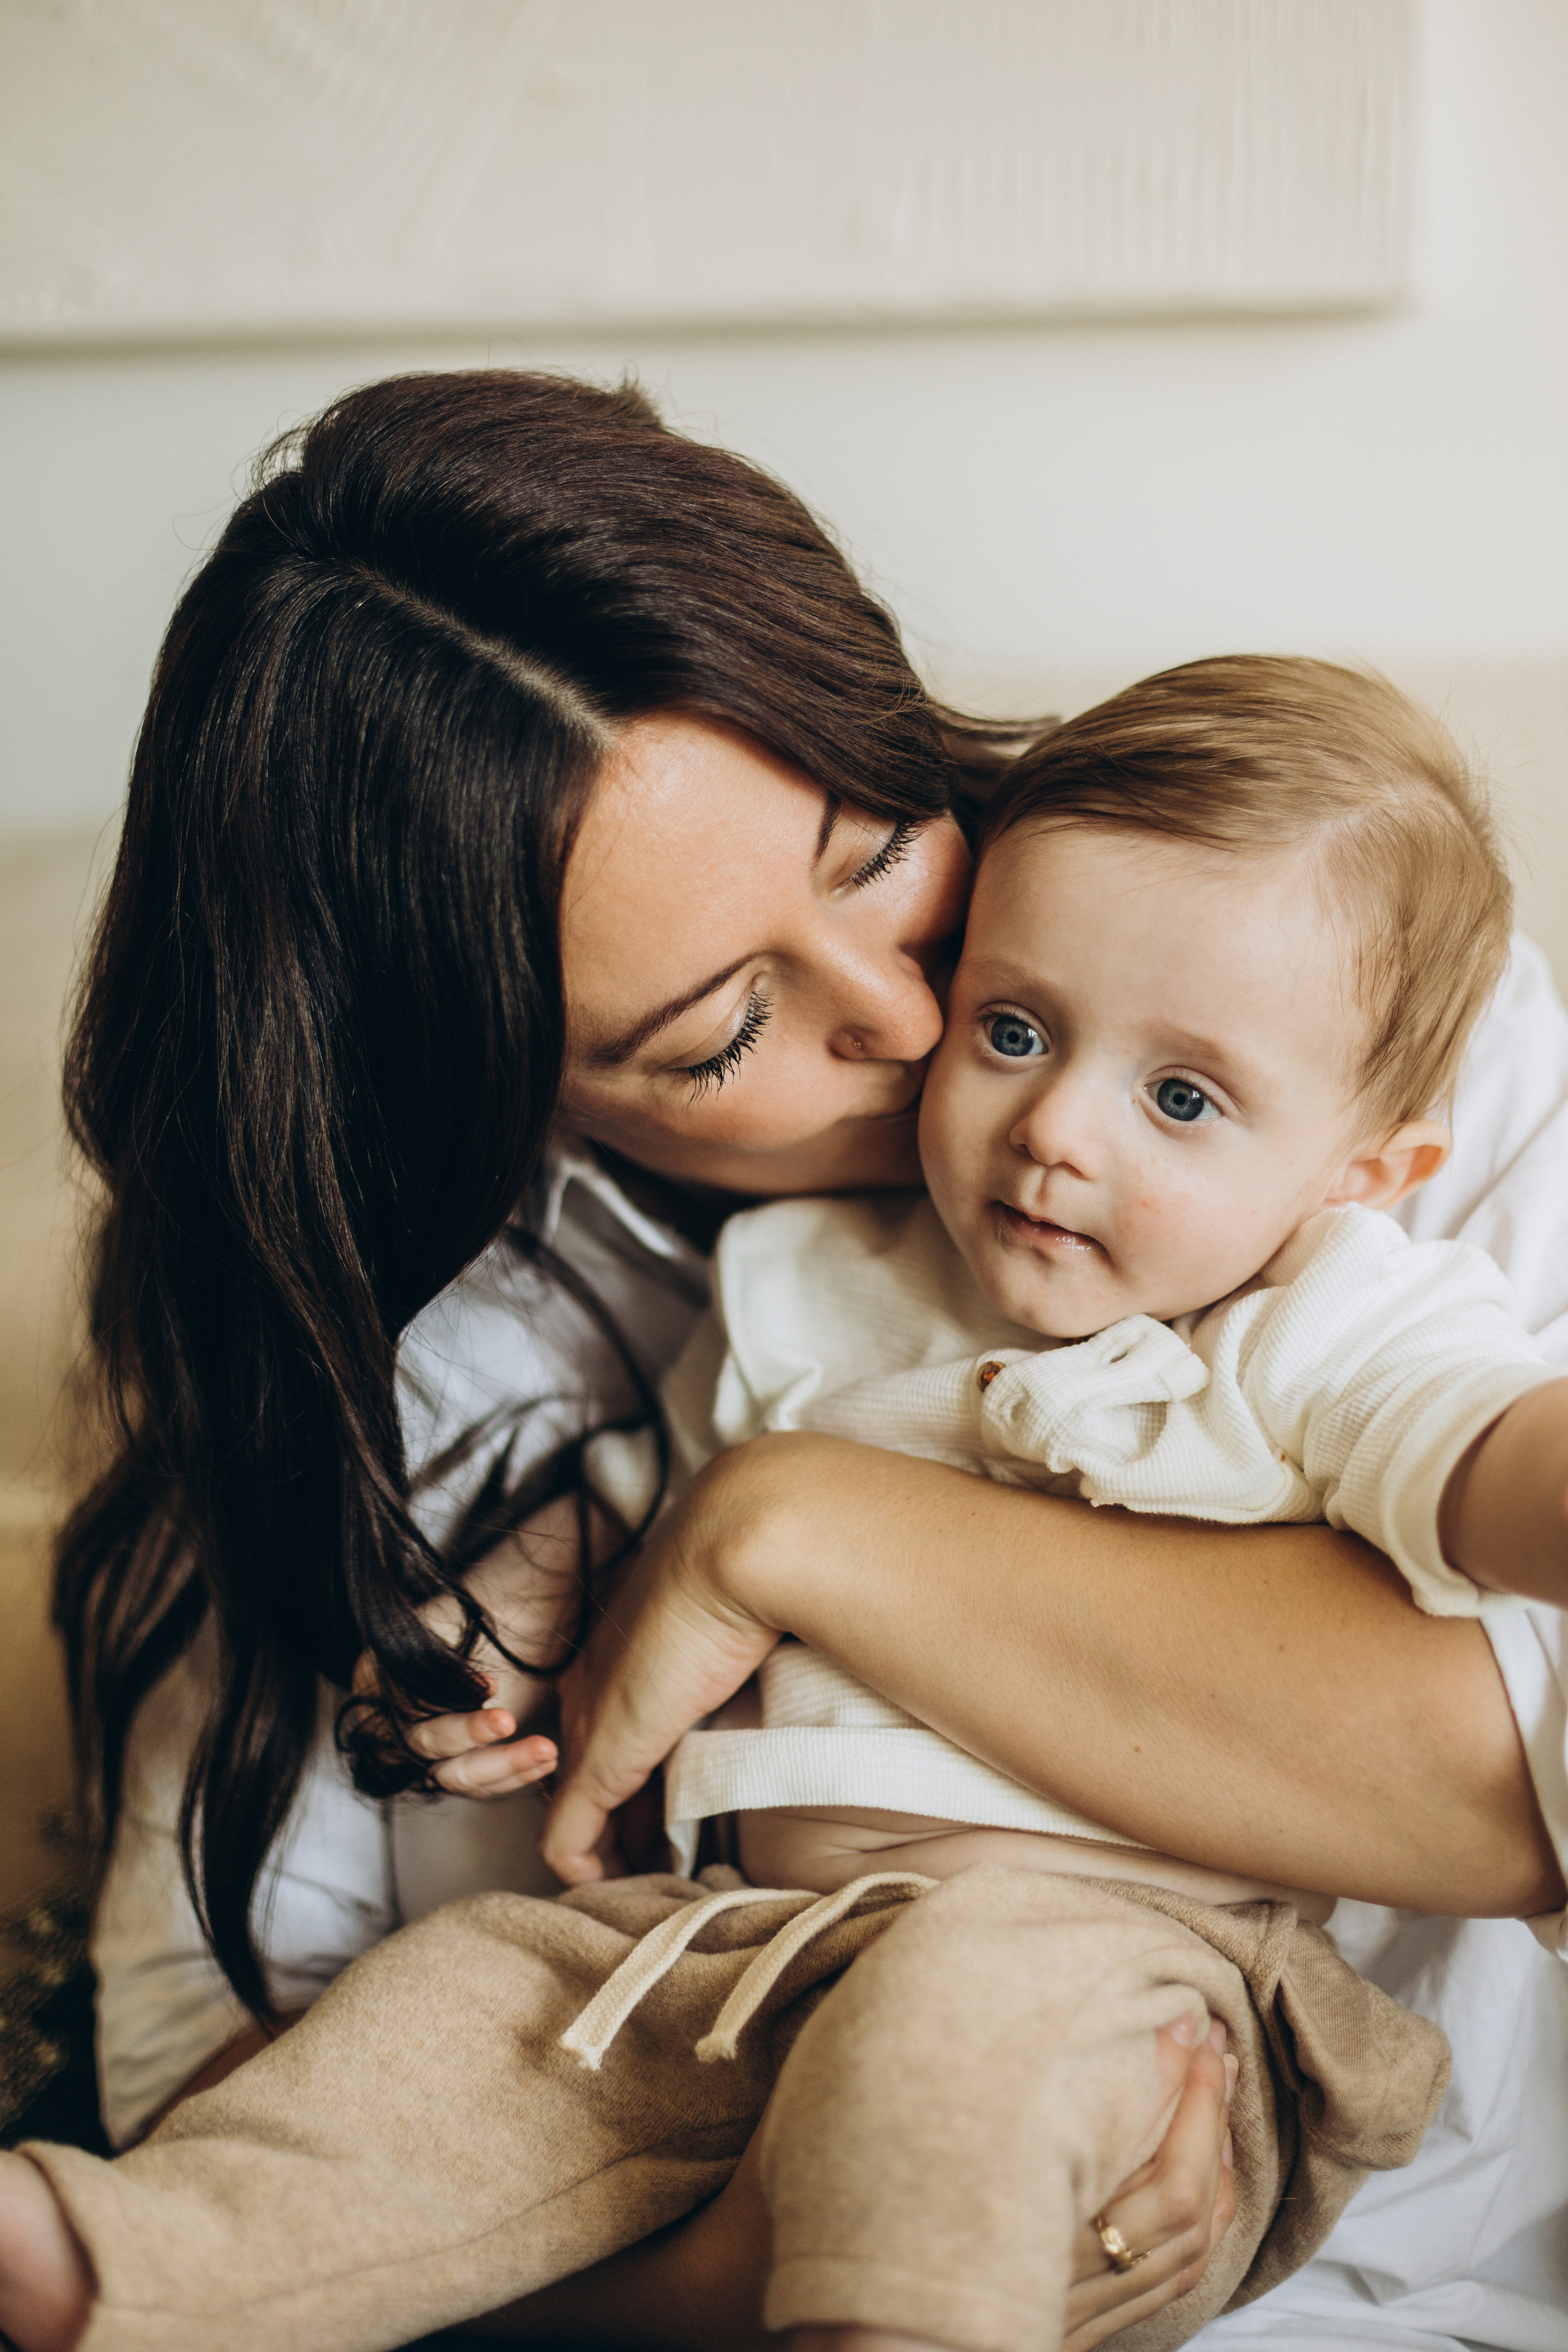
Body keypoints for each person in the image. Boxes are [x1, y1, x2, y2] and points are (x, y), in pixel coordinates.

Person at [1, 374, 1564, 2352]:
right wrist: (726, 2271)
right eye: (722, 1034)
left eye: (877, 851)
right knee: (462, 2024)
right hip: (703, 1991)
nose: (921, 1023)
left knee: (966, 2040)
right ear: (497, 1108)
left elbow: (1510, 1767)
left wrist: (794, 1529)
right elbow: (216, 2040)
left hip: (1201, 2100)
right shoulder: (530, 1343)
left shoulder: (1312, 1004)